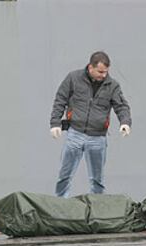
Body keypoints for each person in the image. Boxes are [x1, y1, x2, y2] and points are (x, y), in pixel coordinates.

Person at [50, 51, 131, 198]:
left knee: (97, 180)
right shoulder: (73, 78)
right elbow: (60, 99)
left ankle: (97, 206)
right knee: (64, 175)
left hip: (98, 138)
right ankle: (60, 203)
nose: (103, 75)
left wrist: (125, 122)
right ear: (90, 67)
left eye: (106, 72)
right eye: (100, 72)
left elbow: (122, 106)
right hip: (75, 134)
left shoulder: (112, 85)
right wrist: (55, 123)